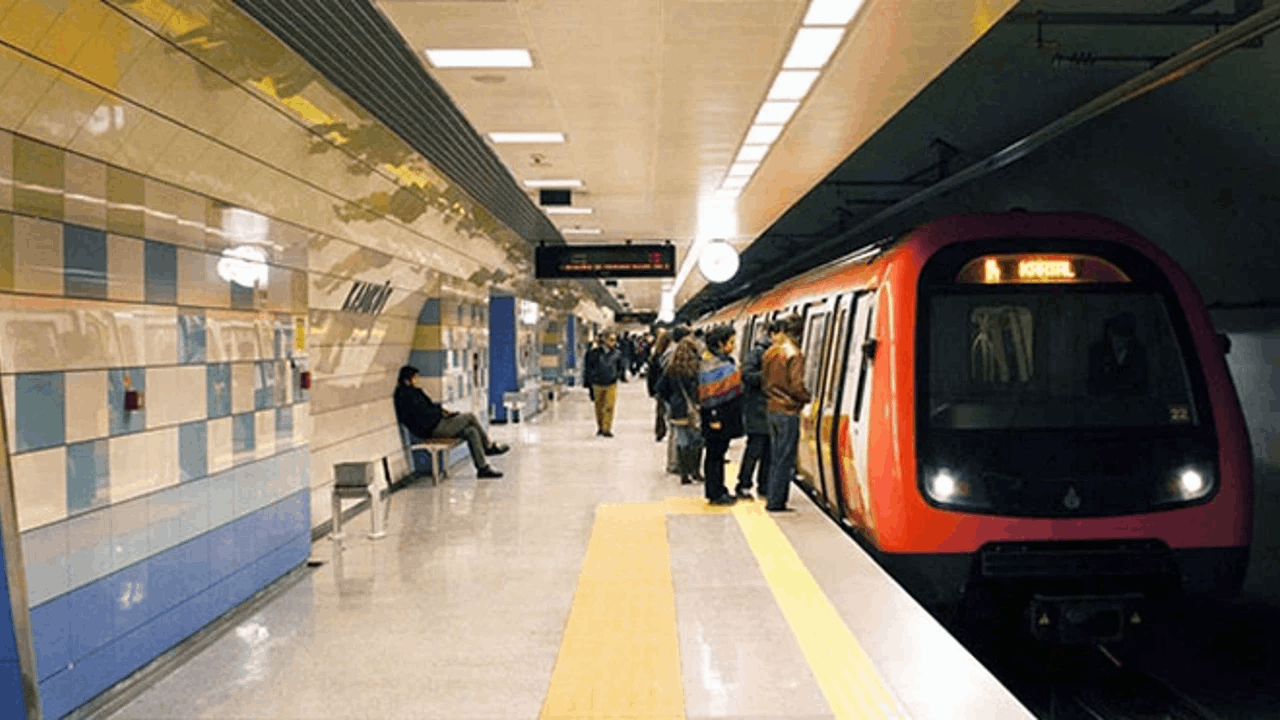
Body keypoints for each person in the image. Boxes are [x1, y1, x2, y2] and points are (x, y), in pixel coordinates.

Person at [393, 366, 508, 479]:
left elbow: (429, 408)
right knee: (470, 417)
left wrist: (443, 412)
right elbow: (422, 414)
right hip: (433, 428)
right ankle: (487, 446)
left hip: (436, 424)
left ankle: (482, 468)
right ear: (407, 379)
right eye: (415, 377)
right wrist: (439, 412)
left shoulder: (414, 392)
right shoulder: (406, 396)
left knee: (471, 432)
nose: (417, 380)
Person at [762, 314, 810, 512]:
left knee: (775, 456)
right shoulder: (794, 354)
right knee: (785, 458)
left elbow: (764, 382)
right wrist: (807, 398)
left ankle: (773, 496)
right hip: (788, 411)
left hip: (772, 409)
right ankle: (776, 502)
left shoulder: (770, 352)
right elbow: (797, 386)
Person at [698, 326, 744, 505]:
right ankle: (715, 492)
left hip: (725, 417)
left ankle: (720, 488)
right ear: (720, 343)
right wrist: (714, 417)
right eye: (731, 342)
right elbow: (708, 396)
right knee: (714, 455)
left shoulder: (722, 361)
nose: (733, 346)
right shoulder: (712, 365)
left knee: (718, 454)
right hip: (717, 418)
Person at [736, 321, 774, 500]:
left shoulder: (773, 352)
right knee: (754, 449)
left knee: (768, 450)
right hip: (757, 410)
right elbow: (746, 375)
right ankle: (743, 484)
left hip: (768, 409)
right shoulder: (757, 352)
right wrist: (769, 376)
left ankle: (764, 485)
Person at [657, 335, 703, 485]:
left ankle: (684, 475)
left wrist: (672, 401)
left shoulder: (672, 367)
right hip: (694, 410)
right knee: (696, 440)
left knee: (682, 441)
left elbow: (660, 388)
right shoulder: (696, 368)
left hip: (678, 410)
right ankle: (695, 471)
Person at [1088, 312, 1149, 396]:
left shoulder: (1139, 352)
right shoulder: (1097, 350)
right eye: (1115, 333)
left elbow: (1142, 384)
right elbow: (1093, 382)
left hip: (1131, 402)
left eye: (1123, 334)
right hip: (1103, 401)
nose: (1118, 340)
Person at [584, 331, 626, 436]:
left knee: (609, 406)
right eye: (611, 340)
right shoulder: (594, 353)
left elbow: (620, 366)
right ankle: (600, 427)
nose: (613, 342)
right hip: (597, 383)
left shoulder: (617, 354)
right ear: (604, 340)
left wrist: (617, 375)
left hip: (611, 383)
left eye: (614, 340)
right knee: (599, 406)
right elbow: (588, 368)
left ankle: (607, 428)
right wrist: (589, 381)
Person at [647, 329, 673, 442]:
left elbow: (651, 374)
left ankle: (660, 432)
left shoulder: (656, 355)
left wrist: (651, 389)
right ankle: (668, 430)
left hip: (659, 387)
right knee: (668, 410)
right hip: (668, 386)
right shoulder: (671, 355)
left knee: (660, 411)